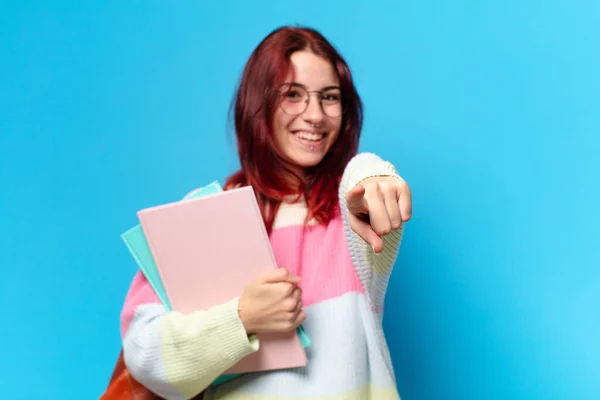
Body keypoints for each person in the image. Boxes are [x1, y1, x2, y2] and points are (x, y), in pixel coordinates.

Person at [120, 25, 413, 400]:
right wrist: (242, 319)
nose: (316, 116)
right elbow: (144, 354)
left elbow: (363, 176)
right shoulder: (203, 213)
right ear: (259, 103)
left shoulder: (351, 213)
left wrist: (374, 177)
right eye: (293, 95)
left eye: (329, 97)